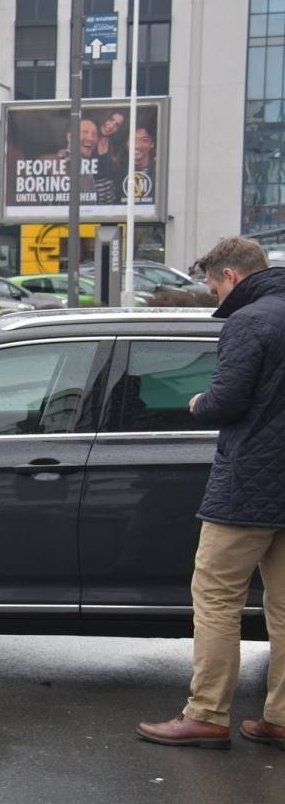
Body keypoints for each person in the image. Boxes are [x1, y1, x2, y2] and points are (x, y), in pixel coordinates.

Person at [136, 237, 285, 750]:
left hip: (249, 484)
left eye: (211, 284)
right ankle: (282, 716)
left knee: (217, 599)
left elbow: (227, 400)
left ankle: (207, 714)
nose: (213, 294)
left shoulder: (249, 321)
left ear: (229, 276)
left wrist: (198, 401)